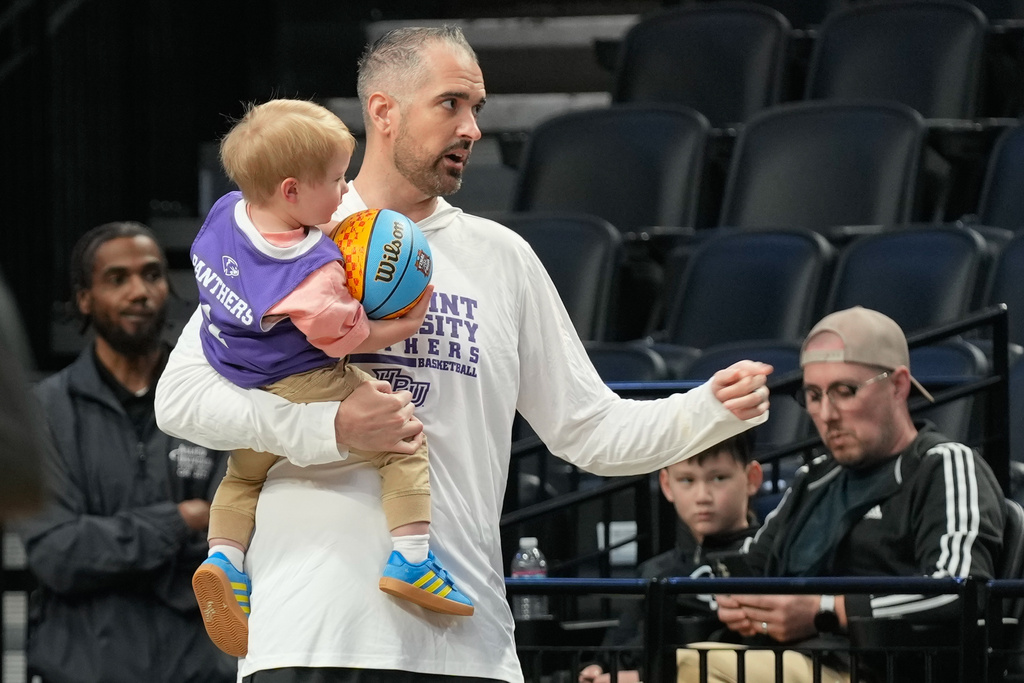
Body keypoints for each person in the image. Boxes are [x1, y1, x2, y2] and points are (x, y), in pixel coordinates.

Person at [155, 25, 773, 683]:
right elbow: (181, 399)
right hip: (312, 637)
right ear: (383, 111)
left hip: (466, 645)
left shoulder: (502, 259)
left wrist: (707, 408)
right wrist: (328, 428)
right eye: (451, 103)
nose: (473, 128)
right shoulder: (286, 235)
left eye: (477, 108)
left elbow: (590, 431)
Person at [189, 98, 470, 660]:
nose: (345, 192)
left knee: (242, 478)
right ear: (291, 191)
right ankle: (413, 559)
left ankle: (223, 557)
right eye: (337, 180)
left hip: (236, 369)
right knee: (401, 438)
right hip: (300, 377)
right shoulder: (311, 272)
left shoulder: (227, 212)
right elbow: (346, 339)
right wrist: (405, 322)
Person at [676, 306, 1006, 683]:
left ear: (898, 385)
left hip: (884, 669)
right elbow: (745, 566)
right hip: (796, 658)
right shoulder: (815, 479)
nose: (826, 414)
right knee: (662, 654)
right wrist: (729, 603)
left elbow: (960, 590)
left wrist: (825, 610)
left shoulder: (942, 465)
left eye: (845, 391)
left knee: (693, 664)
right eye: (813, 395)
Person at [15, 222, 236, 683]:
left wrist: (110, 545)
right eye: (118, 279)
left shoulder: (211, 395)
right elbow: (57, 554)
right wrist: (180, 520)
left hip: (196, 669)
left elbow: (234, 535)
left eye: (152, 275)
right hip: (82, 669)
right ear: (84, 299)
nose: (140, 292)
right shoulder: (46, 410)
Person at [579, 434, 764, 683]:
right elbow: (620, 642)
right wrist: (598, 668)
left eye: (719, 478)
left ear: (751, 479)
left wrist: (644, 678)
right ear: (667, 485)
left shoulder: (765, 559)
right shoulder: (655, 570)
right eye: (686, 480)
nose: (702, 496)